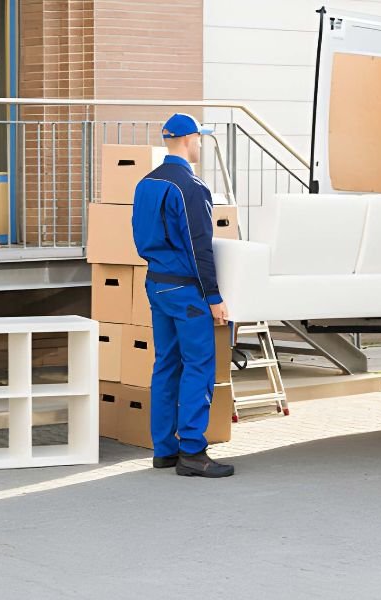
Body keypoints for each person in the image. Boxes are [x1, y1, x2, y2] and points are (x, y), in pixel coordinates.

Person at [131, 113, 234, 478]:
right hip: (187, 290)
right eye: (200, 138)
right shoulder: (190, 187)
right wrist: (214, 296)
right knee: (198, 366)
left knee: (166, 364)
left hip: (156, 282)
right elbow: (199, 248)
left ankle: (164, 449)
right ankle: (192, 449)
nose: (201, 144)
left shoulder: (145, 183)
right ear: (190, 139)